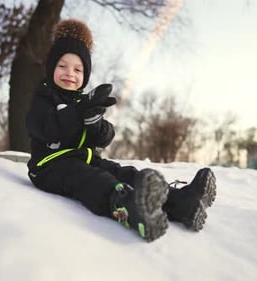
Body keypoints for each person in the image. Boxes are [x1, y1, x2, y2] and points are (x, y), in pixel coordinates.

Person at [26, 19, 217, 242]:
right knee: (92, 179)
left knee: (123, 173)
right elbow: (43, 127)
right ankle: (128, 208)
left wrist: (95, 123)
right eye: (62, 66)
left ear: (85, 75)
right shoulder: (45, 97)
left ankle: (181, 202)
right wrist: (79, 112)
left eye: (78, 69)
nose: (70, 73)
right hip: (49, 167)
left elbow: (105, 137)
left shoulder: (83, 101)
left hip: (85, 159)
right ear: (51, 68)